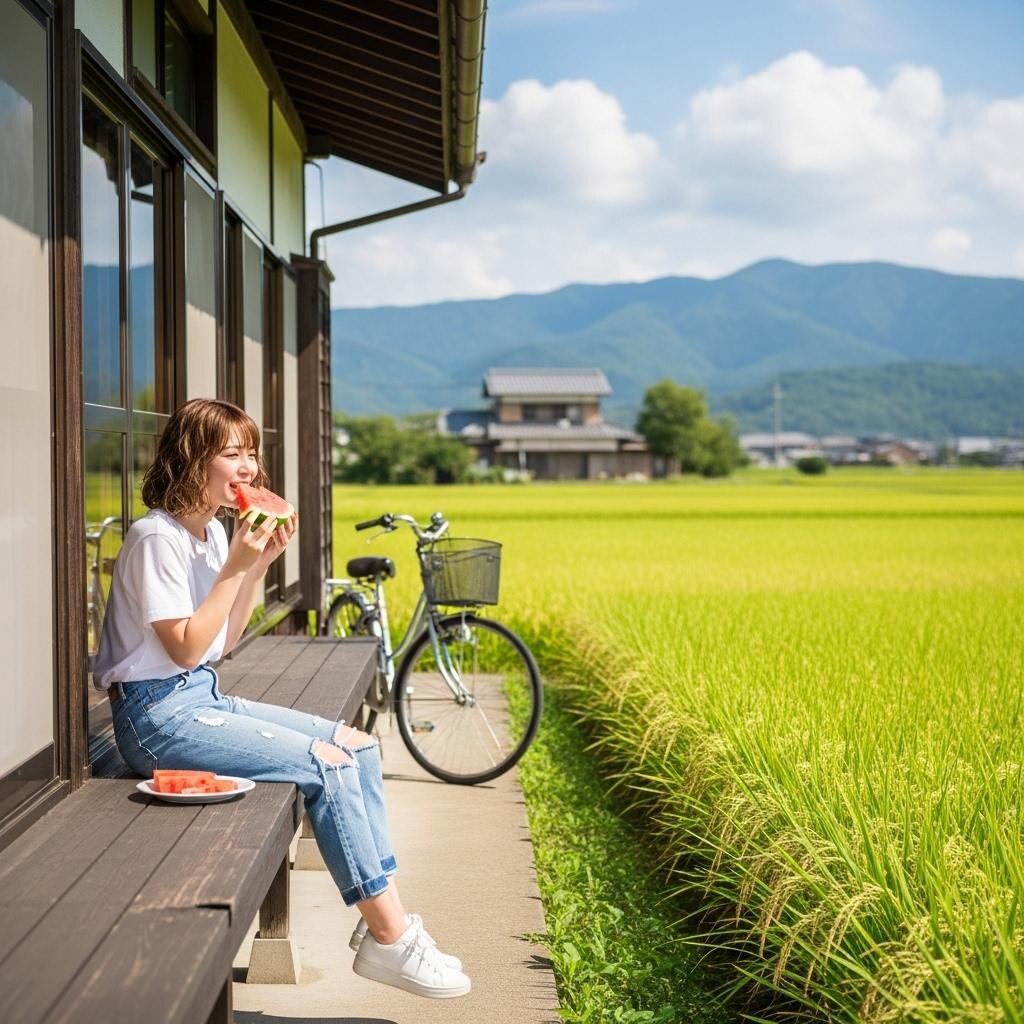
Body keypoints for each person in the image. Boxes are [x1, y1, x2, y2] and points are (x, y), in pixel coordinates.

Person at [95, 397, 470, 999]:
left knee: (357, 746)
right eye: (232, 453)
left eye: (252, 453)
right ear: (192, 458)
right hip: (156, 719)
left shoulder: (212, 534)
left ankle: (384, 923)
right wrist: (234, 567)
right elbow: (184, 648)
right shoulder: (155, 538)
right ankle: (391, 937)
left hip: (200, 697)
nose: (249, 467)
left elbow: (220, 644)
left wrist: (257, 564)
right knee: (328, 764)